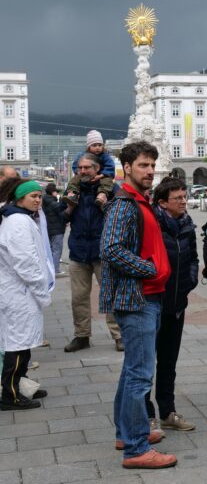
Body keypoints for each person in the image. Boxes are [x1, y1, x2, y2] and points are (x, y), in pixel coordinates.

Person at [99, 141, 177, 470]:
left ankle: (126, 432)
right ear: (127, 167)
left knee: (132, 369)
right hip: (137, 299)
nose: (149, 171)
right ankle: (135, 448)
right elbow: (111, 249)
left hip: (146, 296)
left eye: (152, 165)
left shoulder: (138, 201)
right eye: (143, 165)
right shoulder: (124, 204)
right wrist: (151, 268)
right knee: (140, 375)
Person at [145, 177, 199, 432]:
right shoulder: (152, 224)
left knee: (168, 362)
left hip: (177, 303)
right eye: (178, 198)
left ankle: (167, 411)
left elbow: (193, 258)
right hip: (153, 301)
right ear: (163, 202)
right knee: (145, 363)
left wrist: (189, 281)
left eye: (184, 196)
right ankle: (147, 415)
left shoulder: (187, 224)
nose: (184, 201)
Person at [0, 179, 53, 411]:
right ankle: (9, 394)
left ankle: (19, 385)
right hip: (19, 292)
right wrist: (41, 291)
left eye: (39, 196)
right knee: (17, 345)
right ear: (19, 198)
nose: (38, 200)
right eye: (33, 196)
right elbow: (26, 262)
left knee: (23, 344)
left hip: (21, 292)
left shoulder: (19, 218)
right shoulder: (18, 222)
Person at [63, 153, 122, 352]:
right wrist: (69, 209)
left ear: (97, 169)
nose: (83, 171)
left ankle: (119, 336)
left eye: (87, 168)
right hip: (78, 251)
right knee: (78, 297)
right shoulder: (73, 189)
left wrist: (106, 207)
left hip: (103, 251)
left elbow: (122, 215)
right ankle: (81, 336)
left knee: (110, 295)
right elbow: (61, 217)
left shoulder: (111, 188)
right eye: (80, 168)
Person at [65, 130, 116, 210]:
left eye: (99, 145)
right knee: (74, 180)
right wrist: (78, 172)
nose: (97, 148)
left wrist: (101, 175)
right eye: (94, 145)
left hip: (102, 175)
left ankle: (102, 195)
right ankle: (73, 194)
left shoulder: (105, 156)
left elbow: (110, 166)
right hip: (83, 177)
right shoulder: (82, 155)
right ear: (89, 147)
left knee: (107, 181)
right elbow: (75, 164)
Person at [42, 183, 67, 276]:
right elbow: (59, 208)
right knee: (57, 250)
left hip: (49, 229)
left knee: (50, 249)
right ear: (53, 192)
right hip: (56, 229)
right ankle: (55, 270)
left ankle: (50, 269)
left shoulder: (45, 200)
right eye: (56, 191)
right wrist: (64, 200)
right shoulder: (51, 201)